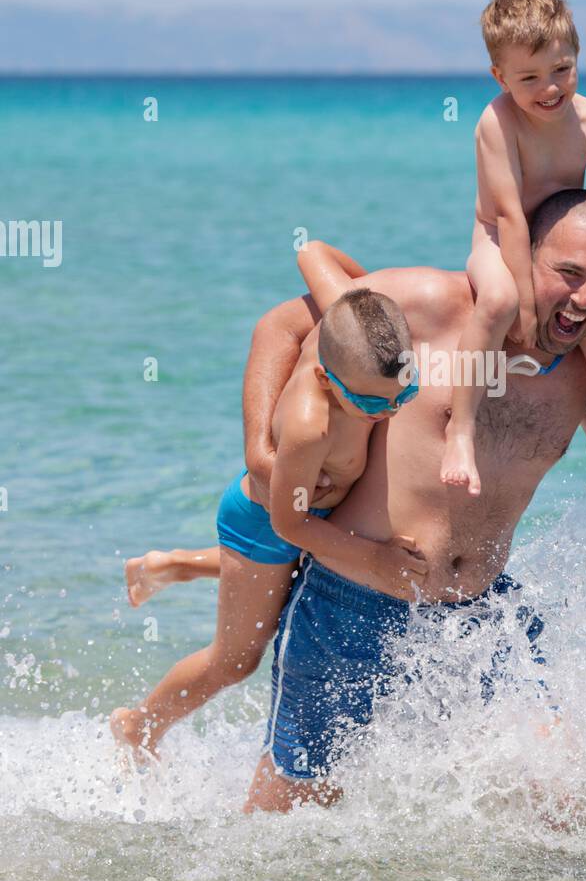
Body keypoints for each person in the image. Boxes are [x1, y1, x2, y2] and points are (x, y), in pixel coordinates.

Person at [238, 189, 586, 811]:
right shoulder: (431, 305)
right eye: (568, 274)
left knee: (561, 798)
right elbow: (281, 325)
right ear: (523, 257)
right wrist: (260, 453)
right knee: (294, 812)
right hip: (351, 602)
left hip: (480, 614)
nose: (584, 300)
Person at [110, 288, 427, 766]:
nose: (389, 411)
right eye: (370, 402)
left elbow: (318, 257)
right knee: (236, 661)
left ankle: (170, 565)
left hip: (301, 523)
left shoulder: (363, 349)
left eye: (405, 393)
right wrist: (376, 559)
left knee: (275, 582)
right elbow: (288, 523)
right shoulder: (310, 426)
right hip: (264, 525)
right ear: (325, 377)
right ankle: (137, 725)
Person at [439, 0, 586, 565]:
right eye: (529, 78)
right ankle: (460, 430)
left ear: (576, 56)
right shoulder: (496, 123)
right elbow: (509, 214)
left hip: (566, 250)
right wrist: (529, 307)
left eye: (560, 69)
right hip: (499, 238)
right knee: (495, 307)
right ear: (499, 78)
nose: (548, 88)